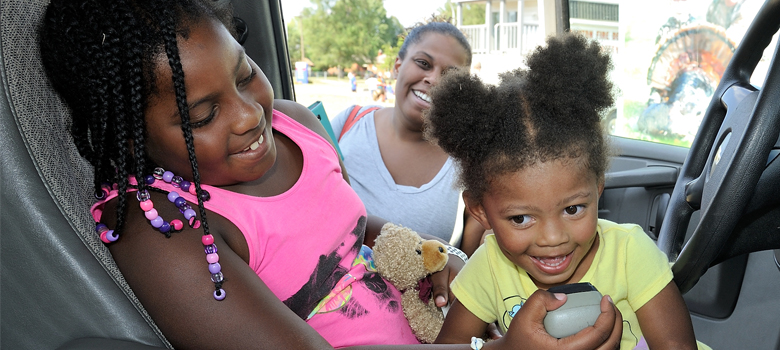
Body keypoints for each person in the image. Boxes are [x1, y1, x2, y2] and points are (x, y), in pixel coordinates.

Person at [38, 0, 623, 349]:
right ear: (130, 137)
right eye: (202, 116)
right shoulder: (163, 229)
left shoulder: (295, 124)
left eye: (245, 76)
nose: (250, 116)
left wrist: (434, 257)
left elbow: (347, 226)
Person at [426, 33, 710, 350]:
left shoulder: (630, 253)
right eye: (520, 218)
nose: (553, 238)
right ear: (479, 211)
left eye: (572, 209)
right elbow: (447, 345)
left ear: (598, 187)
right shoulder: (490, 266)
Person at [331, 20, 484, 252]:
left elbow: (469, 267)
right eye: (423, 63)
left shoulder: (469, 161)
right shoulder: (348, 124)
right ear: (397, 65)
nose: (433, 80)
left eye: (451, 76)